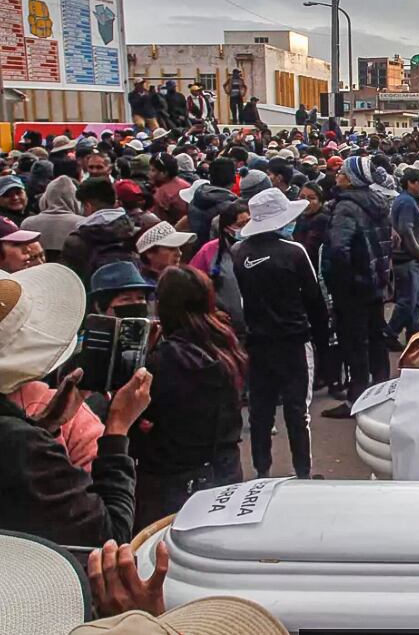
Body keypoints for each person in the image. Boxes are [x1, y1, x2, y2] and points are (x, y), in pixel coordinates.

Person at [0, 262, 153, 546]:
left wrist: (45, 424)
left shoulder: (21, 437)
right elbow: (110, 534)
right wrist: (118, 427)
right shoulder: (20, 445)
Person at [130, 266, 245, 529]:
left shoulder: (162, 362)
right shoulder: (223, 343)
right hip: (225, 468)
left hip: (175, 481)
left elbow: (141, 414)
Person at [232, 189, 328, 478]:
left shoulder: (239, 253)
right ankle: (303, 472)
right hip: (293, 342)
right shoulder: (294, 252)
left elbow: (242, 301)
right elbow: (315, 300)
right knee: (298, 412)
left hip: (257, 343)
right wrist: (323, 343)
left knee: (261, 412)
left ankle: (262, 472)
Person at [323, 156, 392, 417]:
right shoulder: (378, 202)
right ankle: (383, 390)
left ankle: (357, 398)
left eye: (341, 172)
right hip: (375, 282)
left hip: (354, 288)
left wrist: (339, 281)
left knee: (355, 342)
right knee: (376, 337)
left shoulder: (346, 207)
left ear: (350, 179)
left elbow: (339, 249)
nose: (337, 175)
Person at [61, 178, 140, 287]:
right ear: (115, 202)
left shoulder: (76, 241)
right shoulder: (134, 233)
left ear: (88, 206)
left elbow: (72, 282)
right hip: (132, 293)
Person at [188, 201, 250, 338]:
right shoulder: (209, 251)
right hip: (225, 330)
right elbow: (191, 286)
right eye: (240, 225)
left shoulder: (258, 247)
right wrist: (212, 311)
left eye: (249, 222)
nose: (246, 228)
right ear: (226, 228)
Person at [385, 168, 419, 349]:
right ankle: (390, 333)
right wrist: (418, 251)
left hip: (409, 259)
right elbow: (406, 230)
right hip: (407, 259)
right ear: (410, 183)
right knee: (407, 300)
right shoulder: (406, 202)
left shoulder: (408, 201)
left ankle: (413, 333)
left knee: (415, 298)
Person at [20, 174, 83, 261]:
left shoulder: (27, 223)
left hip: (35, 273)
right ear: (76, 200)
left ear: (45, 198)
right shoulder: (83, 224)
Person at [187, 157, 237, 244]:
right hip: (215, 252)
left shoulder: (197, 196)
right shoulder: (230, 206)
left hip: (197, 248)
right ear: (234, 178)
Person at [147, 153, 190, 224]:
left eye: (153, 170)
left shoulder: (163, 193)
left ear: (164, 173)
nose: (149, 173)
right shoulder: (184, 184)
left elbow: (157, 222)